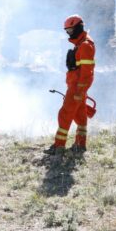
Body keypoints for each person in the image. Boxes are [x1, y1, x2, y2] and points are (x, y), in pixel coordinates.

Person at [47, 15, 95, 155]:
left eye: (70, 30)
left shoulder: (85, 46)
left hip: (76, 88)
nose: (68, 33)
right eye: (66, 31)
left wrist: (79, 91)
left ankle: (59, 146)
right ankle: (80, 144)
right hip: (76, 87)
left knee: (64, 114)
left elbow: (87, 73)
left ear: (78, 28)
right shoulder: (81, 44)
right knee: (80, 116)